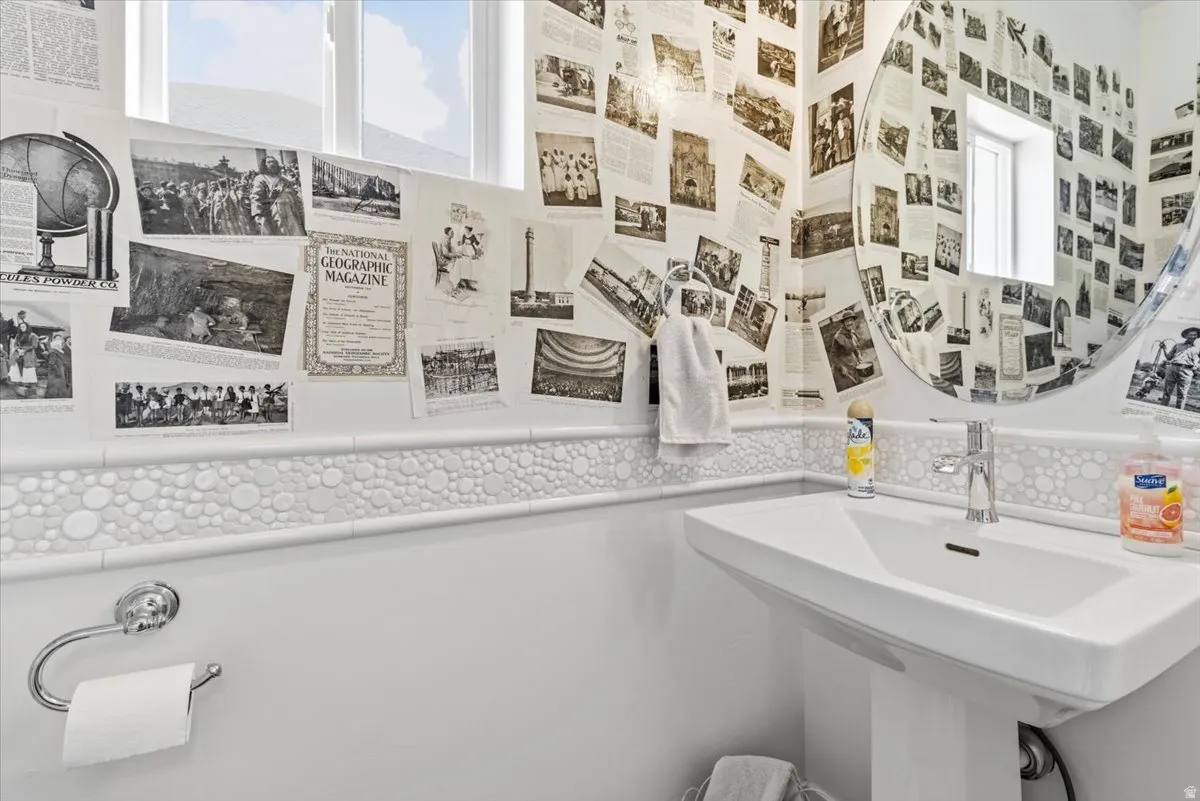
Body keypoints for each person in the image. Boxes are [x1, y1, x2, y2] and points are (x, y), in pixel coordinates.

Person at [250, 155, 305, 237]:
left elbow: (294, 194)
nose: (272, 164)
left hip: (291, 212)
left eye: (274, 162)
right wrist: (258, 214)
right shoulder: (260, 178)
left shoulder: (284, 179)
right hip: (274, 213)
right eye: (269, 162)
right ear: (264, 165)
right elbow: (256, 197)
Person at [1159, 327, 1200, 409]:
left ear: (1197, 337)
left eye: (1195, 335)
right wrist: (1164, 348)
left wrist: (1196, 366)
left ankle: (1178, 413)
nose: (1193, 336)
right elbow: (1168, 357)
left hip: (1187, 371)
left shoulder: (1198, 348)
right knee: (1167, 392)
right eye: (1190, 334)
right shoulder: (1177, 345)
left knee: (1182, 395)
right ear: (1186, 336)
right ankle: (1162, 410)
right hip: (1172, 368)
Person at [829, 315, 863, 390]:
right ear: (844, 323)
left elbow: (855, 347)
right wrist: (841, 367)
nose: (850, 323)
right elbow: (832, 356)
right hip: (843, 368)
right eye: (847, 321)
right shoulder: (838, 337)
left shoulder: (852, 333)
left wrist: (858, 355)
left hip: (853, 364)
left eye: (851, 320)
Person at [9, 322, 39, 397]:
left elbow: (34, 346)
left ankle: (31, 388)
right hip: (18, 353)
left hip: (28, 354)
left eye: (23, 326)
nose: (22, 328)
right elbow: (15, 344)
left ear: (27, 327)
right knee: (18, 368)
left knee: (29, 369)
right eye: (21, 327)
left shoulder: (33, 335)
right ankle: (22, 386)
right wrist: (18, 350)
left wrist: (24, 350)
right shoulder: (18, 335)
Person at [43, 334, 70, 399]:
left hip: (58, 372)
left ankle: (58, 396)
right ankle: (53, 397)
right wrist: (58, 372)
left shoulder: (58, 352)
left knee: (59, 386)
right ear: (57, 345)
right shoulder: (54, 353)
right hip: (55, 373)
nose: (62, 346)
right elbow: (51, 364)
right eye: (61, 345)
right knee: (54, 387)